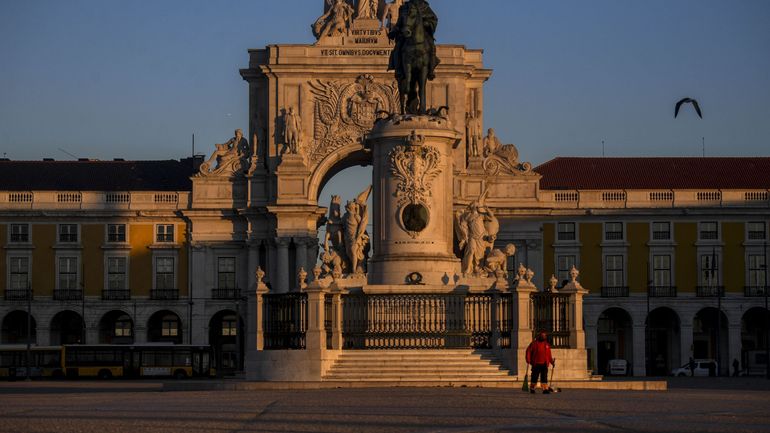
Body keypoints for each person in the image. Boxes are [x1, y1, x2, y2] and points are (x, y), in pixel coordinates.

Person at [526, 330, 556, 394]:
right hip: (536, 363)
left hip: (544, 363)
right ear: (539, 336)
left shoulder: (547, 345)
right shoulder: (534, 343)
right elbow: (528, 351)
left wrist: (552, 362)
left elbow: (549, 355)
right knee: (534, 377)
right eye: (542, 335)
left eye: (544, 336)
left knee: (544, 377)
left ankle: (545, 389)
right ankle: (532, 388)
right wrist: (528, 359)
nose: (543, 337)